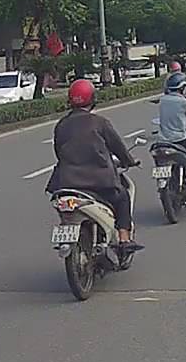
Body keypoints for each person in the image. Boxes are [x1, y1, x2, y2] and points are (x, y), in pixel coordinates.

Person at [45, 79, 143, 252]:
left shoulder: (61, 125)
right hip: (99, 182)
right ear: (92, 99)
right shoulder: (99, 122)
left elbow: (59, 152)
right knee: (122, 198)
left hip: (66, 183)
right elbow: (118, 147)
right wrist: (129, 161)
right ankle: (124, 239)